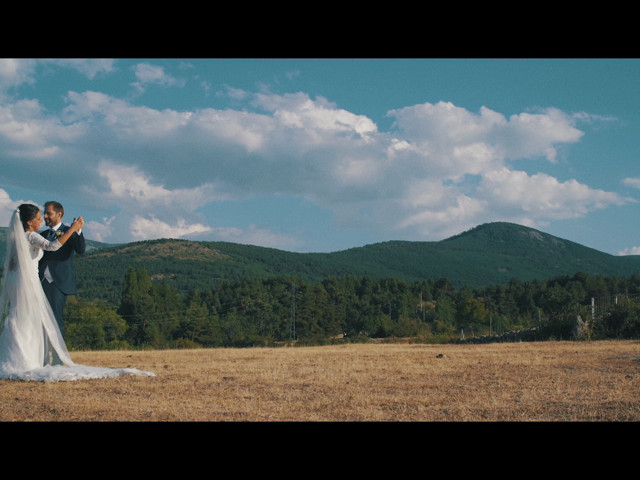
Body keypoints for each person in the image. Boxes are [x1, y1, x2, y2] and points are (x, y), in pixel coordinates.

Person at [0, 204, 155, 382]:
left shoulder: (17, 237)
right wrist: (73, 228)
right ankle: (28, 359)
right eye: (39, 217)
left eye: (46, 214)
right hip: (32, 282)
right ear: (29, 222)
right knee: (31, 319)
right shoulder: (35, 235)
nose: (42, 219)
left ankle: (17, 356)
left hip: (24, 281)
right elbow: (51, 246)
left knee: (23, 317)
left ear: (59, 214)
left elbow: (11, 264)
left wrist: (75, 232)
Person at [38, 201, 85, 338]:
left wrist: (77, 231)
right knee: (39, 319)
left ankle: (58, 357)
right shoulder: (43, 234)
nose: (45, 216)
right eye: (44, 213)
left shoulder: (69, 231)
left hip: (58, 283)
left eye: (49, 213)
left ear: (59, 214)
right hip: (40, 281)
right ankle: (43, 354)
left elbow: (81, 250)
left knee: (55, 319)